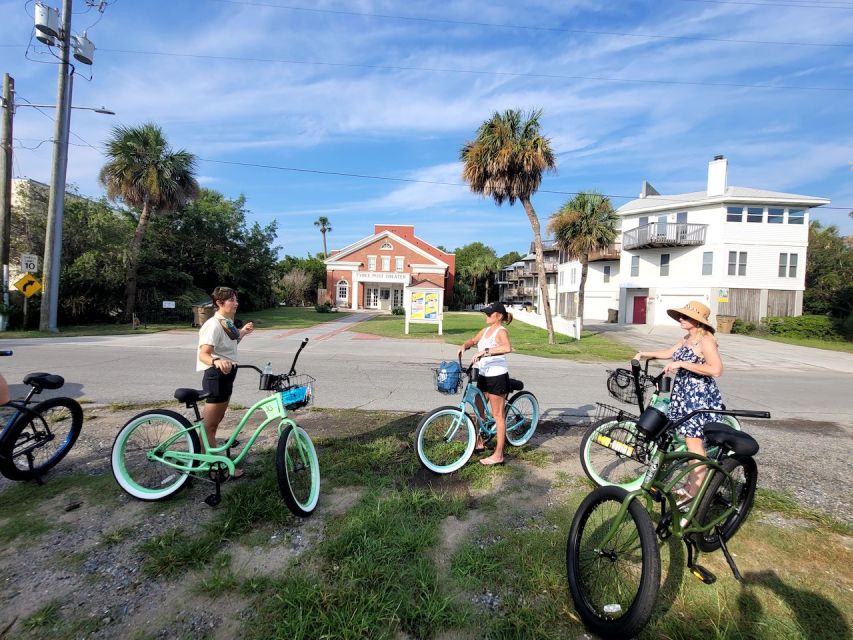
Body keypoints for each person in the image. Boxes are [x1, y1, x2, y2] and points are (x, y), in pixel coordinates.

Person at [633, 300, 723, 501]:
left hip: (698, 397)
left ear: (698, 321)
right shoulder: (687, 339)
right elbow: (668, 353)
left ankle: (696, 494)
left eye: (685, 316)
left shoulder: (706, 341)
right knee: (691, 444)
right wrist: (644, 354)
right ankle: (691, 485)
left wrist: (683, 364)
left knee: (694, 445)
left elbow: (716, 369)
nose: (680, 319)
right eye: (680, 316)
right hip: (683, 395)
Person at [197, 286, 255, 477]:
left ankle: (205, 460)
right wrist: (216, 360)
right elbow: (204, 354)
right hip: (216, 375)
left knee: (214, 423)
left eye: (236, 299)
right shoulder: (213, 325)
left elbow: (231, 342)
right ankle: (213, 468)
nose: (236, 303)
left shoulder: (226, 323)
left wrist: (243, 332)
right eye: (232, 300)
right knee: (209, 426)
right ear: (219, 303)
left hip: (227, 374)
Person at [457, 301, 514, 466]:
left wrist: (485, 352)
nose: (486, 316)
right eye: (486, 313)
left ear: (499, 316)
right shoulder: (486, 330)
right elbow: (473, 340)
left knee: (498, 416)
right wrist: (465, 346)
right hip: (482, 375)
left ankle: (498, 454)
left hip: (497, 377)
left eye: (489, 314)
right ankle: (479, 441)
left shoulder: (501, 331)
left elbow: (507, 347)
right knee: (478, 410)